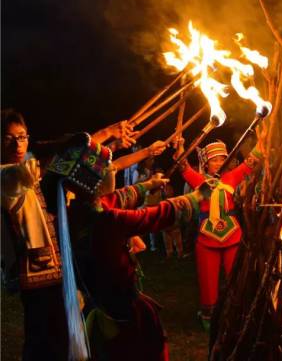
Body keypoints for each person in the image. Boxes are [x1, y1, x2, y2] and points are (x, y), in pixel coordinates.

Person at [40, 132, 205, 361]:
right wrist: (197, 197)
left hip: (95, 308)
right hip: (125, 316)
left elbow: (118, 197)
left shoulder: (73, 214)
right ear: (96, 183)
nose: (114, 169)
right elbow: (157, 215)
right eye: (110, 168)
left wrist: (148, 185)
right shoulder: (108, 221)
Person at [176, 138, 263, 331]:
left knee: (236, 278)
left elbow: (252, 160)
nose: (219, 162)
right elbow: (181, 165)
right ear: (206, 163)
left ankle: (236, 312)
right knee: (208, 280)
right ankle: (209, 315)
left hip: (232, 236)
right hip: (207, 238)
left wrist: (262, 136)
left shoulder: (231, 177)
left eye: (223, 159)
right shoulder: (198, 180)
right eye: (215, 159)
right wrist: (181, 146)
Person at [1, 109, 67, 360]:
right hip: (33, 274)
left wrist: (110, 140)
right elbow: (27, 174)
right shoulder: (6, 176)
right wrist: (92, 138)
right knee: (41, 342)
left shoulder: (27, 172)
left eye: (22, 136)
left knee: (54, 337)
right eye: (8, 138)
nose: (17, 144)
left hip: (50, 270)